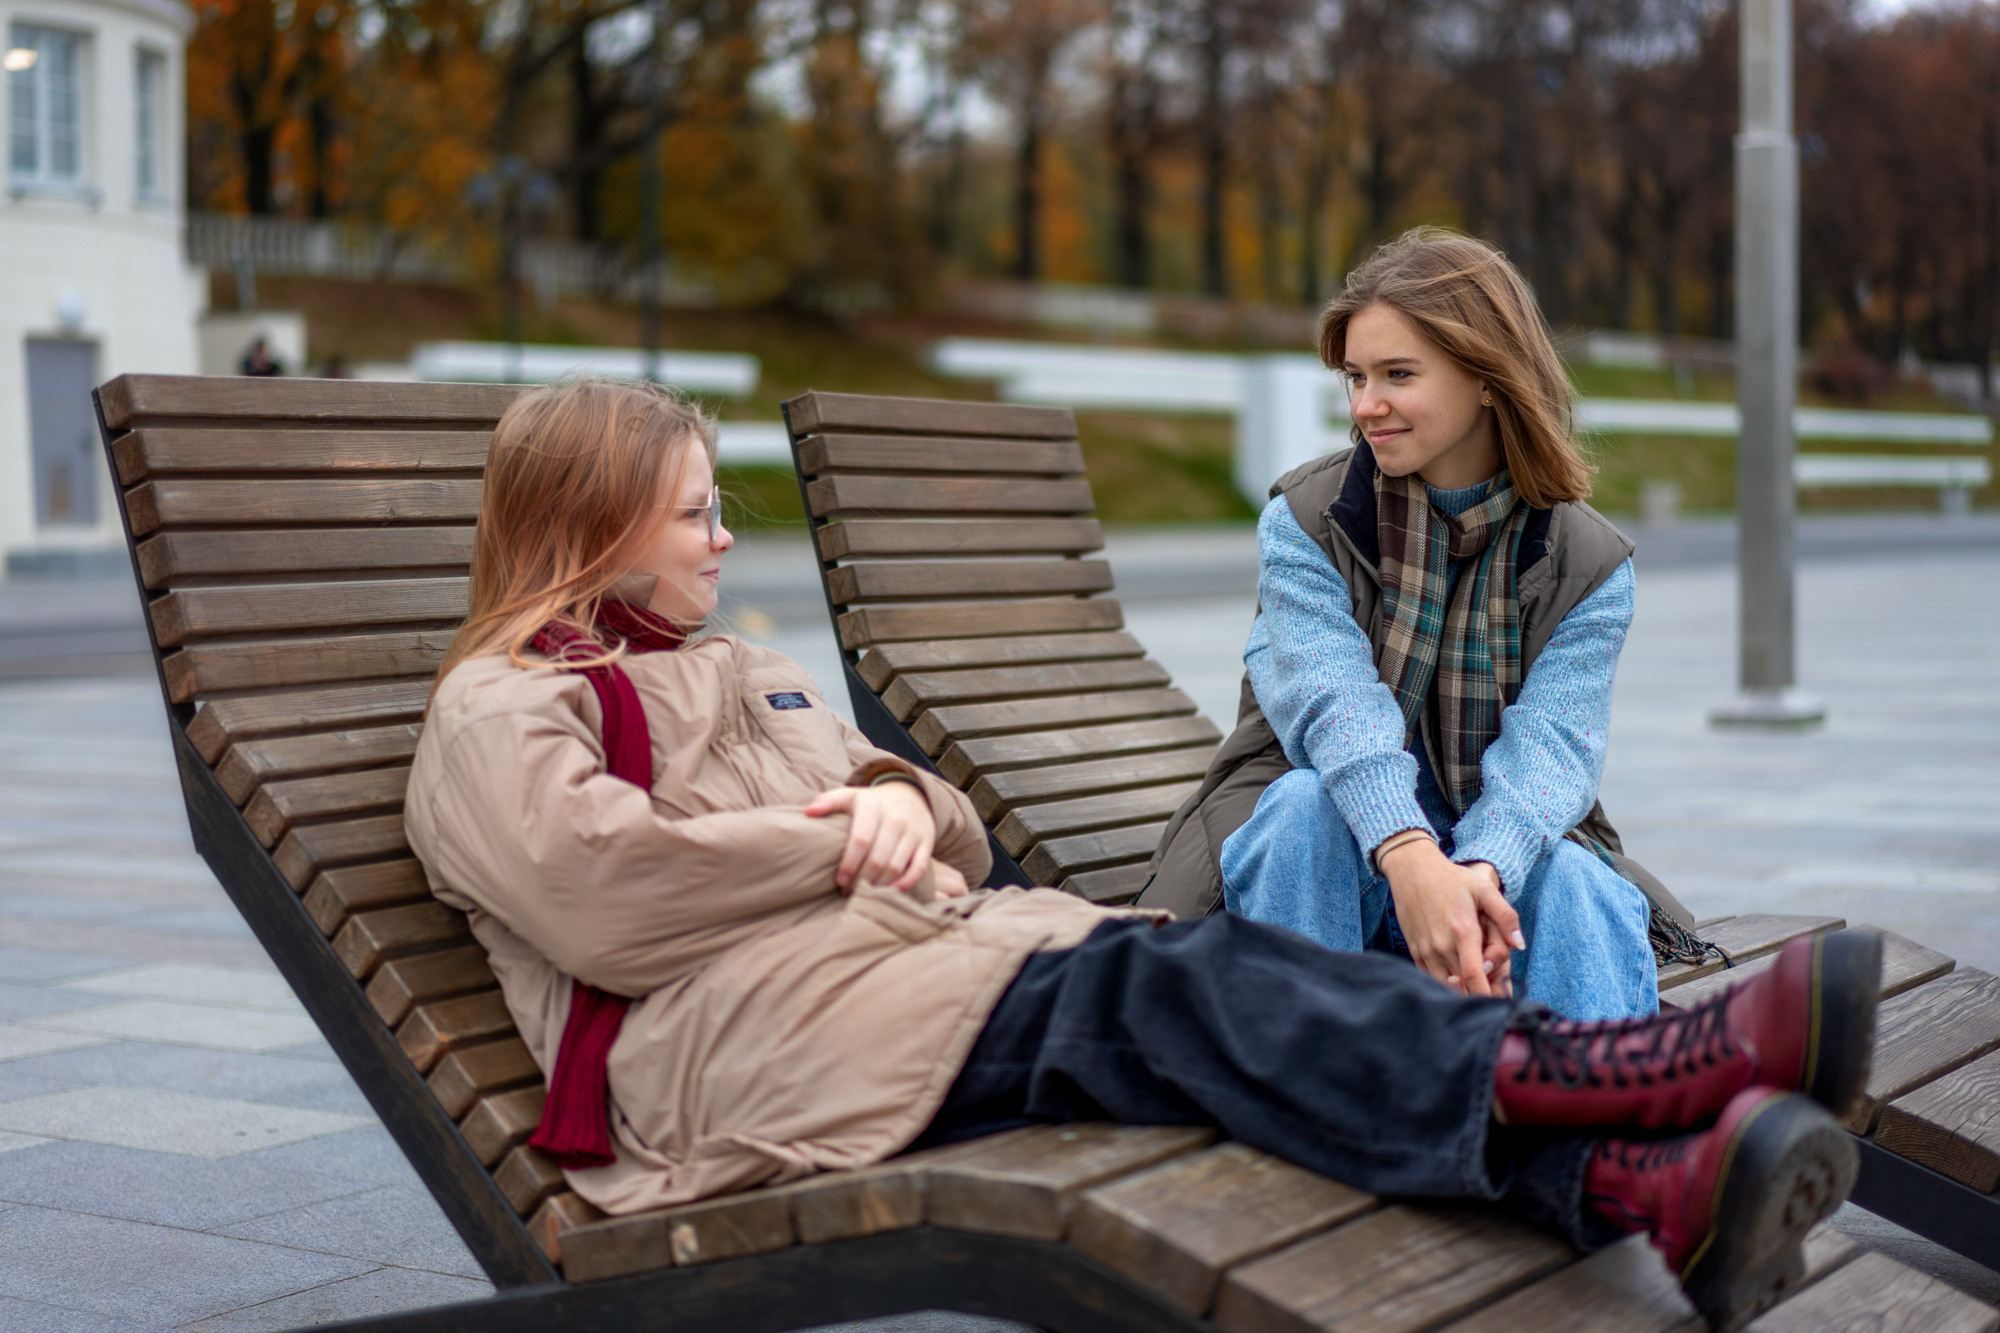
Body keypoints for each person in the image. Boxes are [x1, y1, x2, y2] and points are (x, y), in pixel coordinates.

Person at [404, 379, 1880, 1333]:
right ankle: (1635, 1074)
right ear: (589, 528)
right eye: (693, 514)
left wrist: (898, 807)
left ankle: (1637, 1185)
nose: (725, 540)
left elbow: (943, 822)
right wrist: (841, 834)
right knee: (1169, 995)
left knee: (1201, 983)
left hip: (899, 974)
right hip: (729, 1056)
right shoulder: (497, 711)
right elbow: (602, 895)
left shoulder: (744, 668)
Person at [1143, 227, 1676, 1022]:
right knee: (1302, 811)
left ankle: (1586, 1095)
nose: (1365, 405)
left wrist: (1480, 874)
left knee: (1574, 881)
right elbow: (1331, 703)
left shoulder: (1590, 564)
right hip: (1325, 877)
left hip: (1485, 881)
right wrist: (1407, 850)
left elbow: (1553, 749)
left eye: (1397, 374)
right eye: (1356, 377)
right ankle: (1313, 1080)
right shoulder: (1307, 521)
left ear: (1488, 376)